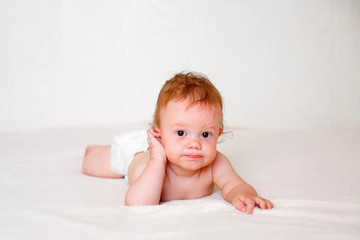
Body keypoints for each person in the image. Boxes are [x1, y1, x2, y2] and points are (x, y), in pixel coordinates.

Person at [83, 71, 273, 214]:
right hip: (133, 153)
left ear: (218, 134)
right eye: (181, 132)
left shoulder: (216, 164)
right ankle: (97, 150)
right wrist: (157, 160)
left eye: (205, 135)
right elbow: (138, 204)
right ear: (160, 135)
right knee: (93, 165)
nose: (194, 144)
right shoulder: (155, 166)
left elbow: (236, 185)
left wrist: (242, 195)